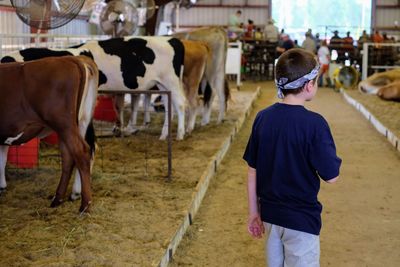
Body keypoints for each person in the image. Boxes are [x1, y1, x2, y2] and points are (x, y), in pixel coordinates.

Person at [243, 48, 342, 266]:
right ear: (309, 86)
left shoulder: (263, 118)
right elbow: (332, 176)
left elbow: (252, 170)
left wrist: (253, 213)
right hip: (301, 220)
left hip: (269, 217)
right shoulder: (315, 125)